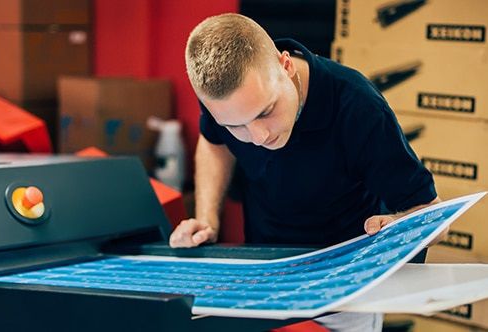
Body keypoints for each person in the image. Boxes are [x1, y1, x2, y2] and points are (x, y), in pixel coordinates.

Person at [169, 13, 445, 332]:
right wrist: (207, 219)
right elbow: (214, 143)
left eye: (265, 111)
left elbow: (431, 213)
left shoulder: (358, 105)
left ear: (285, 66)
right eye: (236, 125)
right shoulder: (225, 100)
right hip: (263, 273)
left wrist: (397, 229)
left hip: (344, 292)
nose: (258, 137)